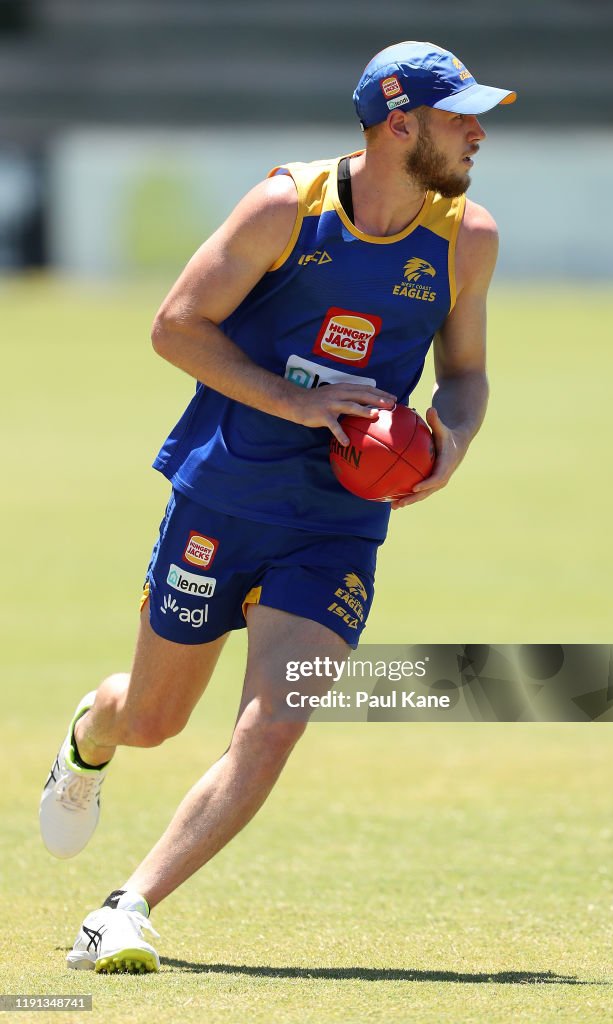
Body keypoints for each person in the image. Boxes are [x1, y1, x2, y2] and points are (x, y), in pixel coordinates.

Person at [40, 40, 515, 973]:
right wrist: (297, 403)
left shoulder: (469, 237)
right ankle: (88, 739)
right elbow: (175, 325)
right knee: (151, 719)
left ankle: (125, 910)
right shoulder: (283, 208)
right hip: (223, 495)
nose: (477, 131)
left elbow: (464, 377)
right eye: (459, 114)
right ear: (398, 124)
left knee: (277, 719)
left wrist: (448, 446)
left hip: (336, 521)